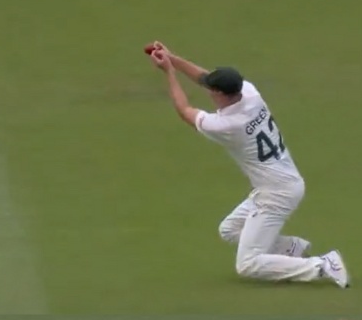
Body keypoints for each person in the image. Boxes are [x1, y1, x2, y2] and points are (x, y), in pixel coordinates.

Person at [144, 41, 349, 288]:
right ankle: (290, 249)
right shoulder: (250, 92)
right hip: (280, 183)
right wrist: (172, 58)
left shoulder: (228, 126)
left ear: (220, 94)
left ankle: (322, 265)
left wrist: (169, 72)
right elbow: (205, 78)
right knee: (229, 229)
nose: (209, 92)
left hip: (277, 193)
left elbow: (184, 110)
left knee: (248, 264)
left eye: (212, 91)